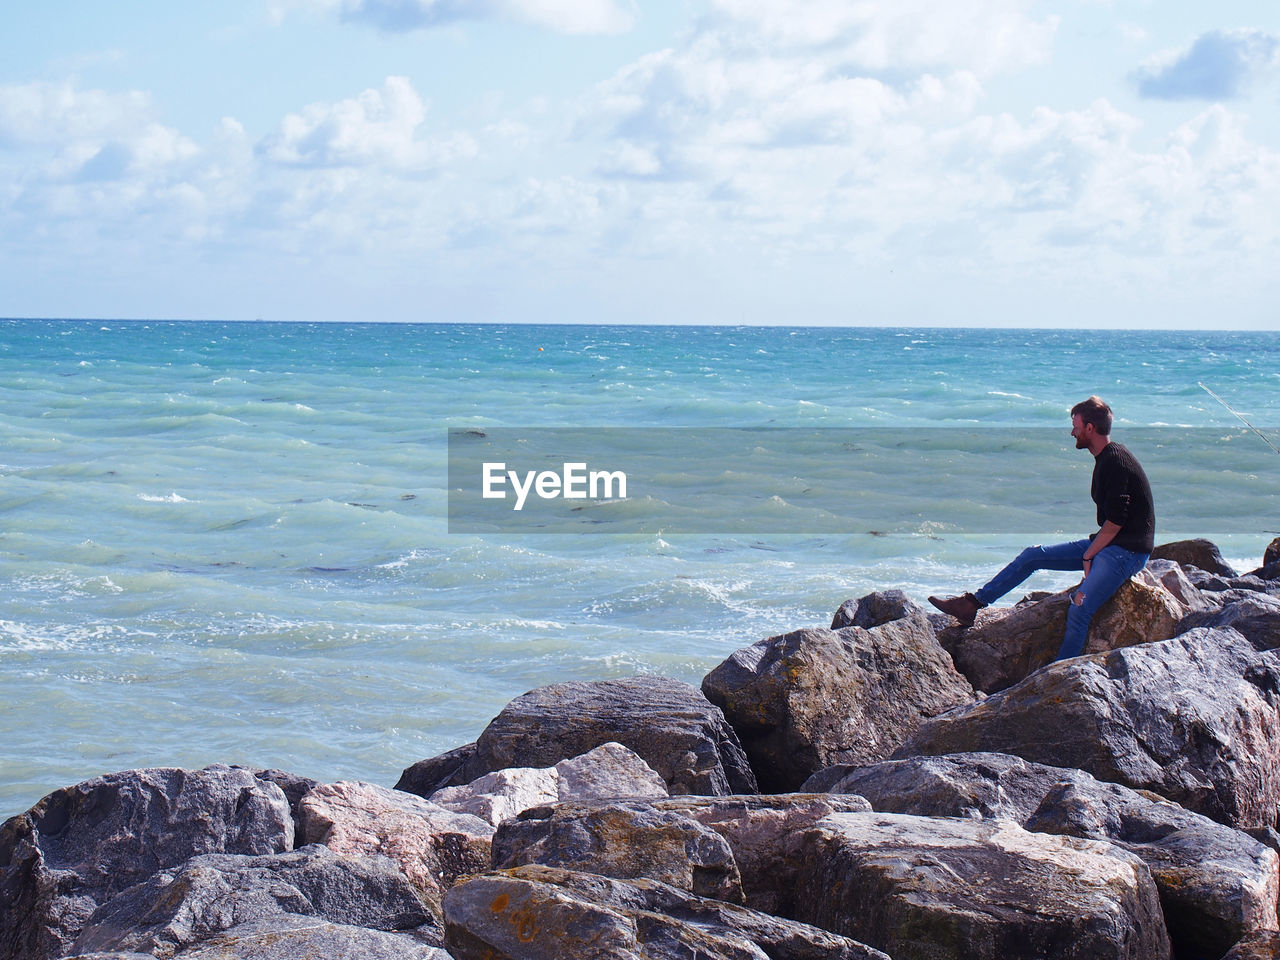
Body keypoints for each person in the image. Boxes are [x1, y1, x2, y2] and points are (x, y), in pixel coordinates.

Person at [928, 396, 1155, 661]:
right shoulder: (1106, 458)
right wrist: (1093, 552)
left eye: (1076, 426)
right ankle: (971, 604)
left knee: (1079, 608)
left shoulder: (1115, 461)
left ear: (1090, 428)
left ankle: (1061, 674)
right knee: (1032, 556)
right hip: (1110, 544)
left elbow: (1116, 520)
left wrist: (1088, 555)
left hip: (1127, 552)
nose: (1073, 432)